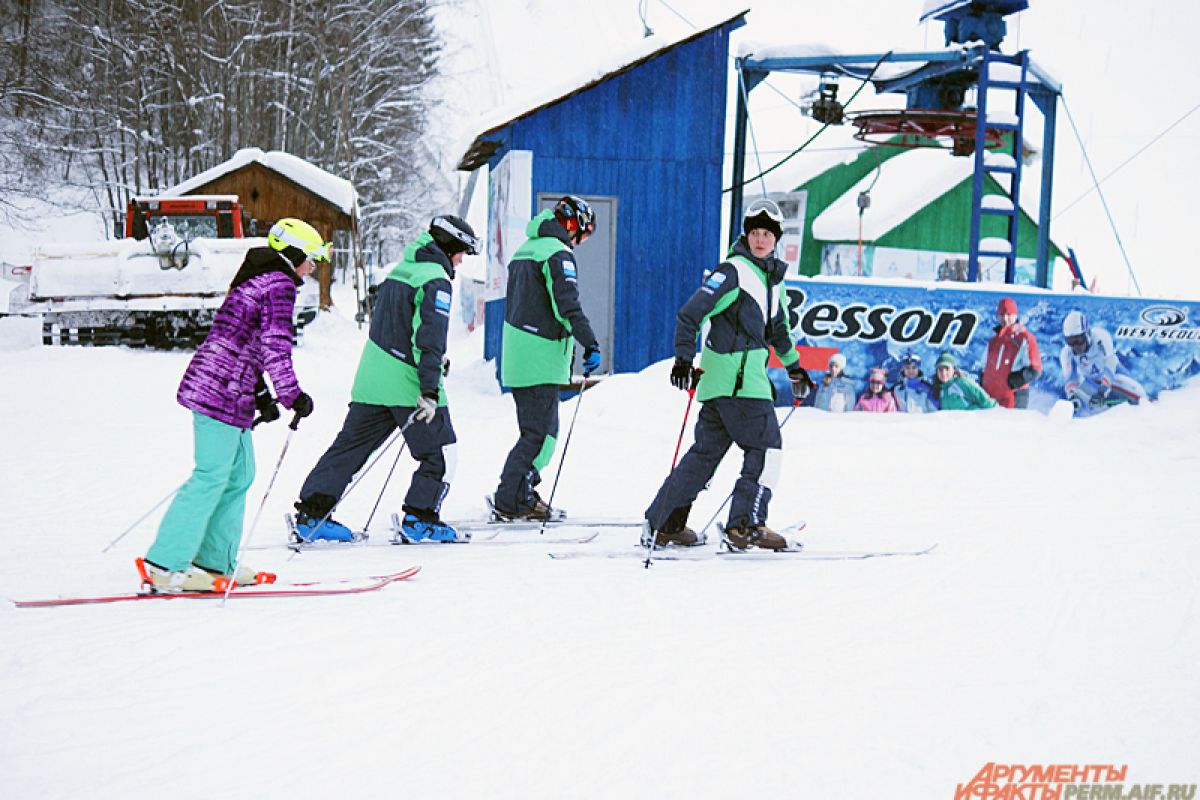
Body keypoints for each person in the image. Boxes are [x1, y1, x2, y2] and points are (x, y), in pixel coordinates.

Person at [138, 218, 324, 592]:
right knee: (210, 475)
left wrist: (261, 396)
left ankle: (213, 560)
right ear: (294, 254)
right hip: (218, 389)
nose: (312, 268)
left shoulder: (259, 278)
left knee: (239, 475)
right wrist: (292, 395)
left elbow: (244, 341)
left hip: (231, 388)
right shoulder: (279, 285)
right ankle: (163, 562)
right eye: (311, 259)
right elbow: (275, 345)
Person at [292, 215, 479, 544]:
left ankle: (311, 515)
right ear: (449, 246)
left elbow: (398, 326)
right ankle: (420, 519)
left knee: (349, 449)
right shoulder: (435, 279)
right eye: (461, 252)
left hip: (371, 378)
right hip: (407, 383)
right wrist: (430, 389)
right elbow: (429, 339)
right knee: (441, 453)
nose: (461, 260)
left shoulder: (401, 272)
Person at [643, 198, 812, 552]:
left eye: (768, 233)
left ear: (776, 238)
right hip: (740, 384)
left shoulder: (772, 280)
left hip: (727, 384)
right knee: (766, 448)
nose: (761, 239)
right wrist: (683, 360)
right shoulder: (733, 271)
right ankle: (745, 525)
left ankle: (664, 523)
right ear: (746, 235)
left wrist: (795, 367)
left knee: (705, 455)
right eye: (755, 233)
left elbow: (778, 330)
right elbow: (690, 315)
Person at [491, 196, 603, 522]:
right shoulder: (557, 253)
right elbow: (566, 305)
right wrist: (590, 342)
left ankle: (517, 492)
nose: (580, 243)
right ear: (576, 226)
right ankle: (513, 498)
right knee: (542, 435)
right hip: (540, 354)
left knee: (534, 432)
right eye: (584, 235)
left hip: (519, 352)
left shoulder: (526, 249)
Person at [1059, 310, 1147, 413]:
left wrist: (1102, 391)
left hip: (1113, 376)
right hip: (1091, 383)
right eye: (1070, 342)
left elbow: (1110, 365)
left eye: (1078, 341)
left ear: (1087, 333)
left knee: (1140, 395)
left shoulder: (1101, 337)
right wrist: (1073, 397)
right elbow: (1071, 380)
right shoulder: (1066, 353)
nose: (1075, 347)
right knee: (1075, 398)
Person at [982, 297, 1043, 409]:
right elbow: (983, 367)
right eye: (1001, 314)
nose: (1005, 318)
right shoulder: (992, 342)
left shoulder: (1024, 338)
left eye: (1009, 314)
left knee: (1012, 426)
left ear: (1015, 315)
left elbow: (1036, 368)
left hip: (1013, 397)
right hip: (990, 399)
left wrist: (1017, 380)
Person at [931, 352, 997, 410]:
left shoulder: (963, 383)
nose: (943, 373)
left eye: (947, 369)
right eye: (940, 369)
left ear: (954, 369)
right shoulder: (940, 389)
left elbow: (987, 402)